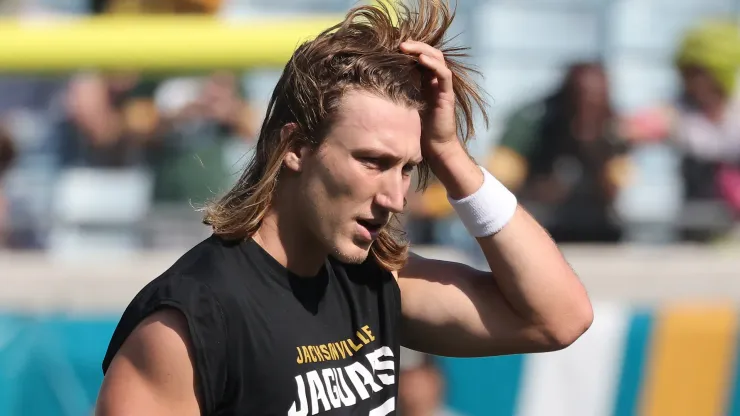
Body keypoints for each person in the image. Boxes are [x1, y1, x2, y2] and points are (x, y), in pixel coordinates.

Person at [95, 1, 593, 415]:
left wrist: (450, 155)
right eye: (372, 162)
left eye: (406, 168)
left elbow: (559, 317)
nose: (395, 198)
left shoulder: (373, 280)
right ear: (294, 146)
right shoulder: (186, 324)